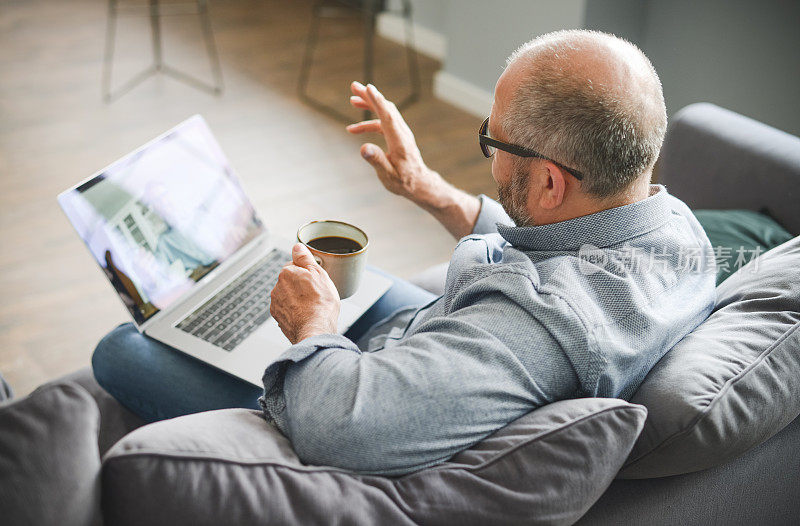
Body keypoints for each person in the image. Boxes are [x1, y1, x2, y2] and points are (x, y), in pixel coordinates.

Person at [92, 29, 716, 476]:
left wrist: (313, 325)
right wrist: (431, 190)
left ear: (551, 183)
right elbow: (562, 240)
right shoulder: (670, 230)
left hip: (362, 394)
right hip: (431, 334)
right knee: (349, 284)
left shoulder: (525, 331)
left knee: (121, 350)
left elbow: (344, 427)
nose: (488, 154)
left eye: (490, 140)